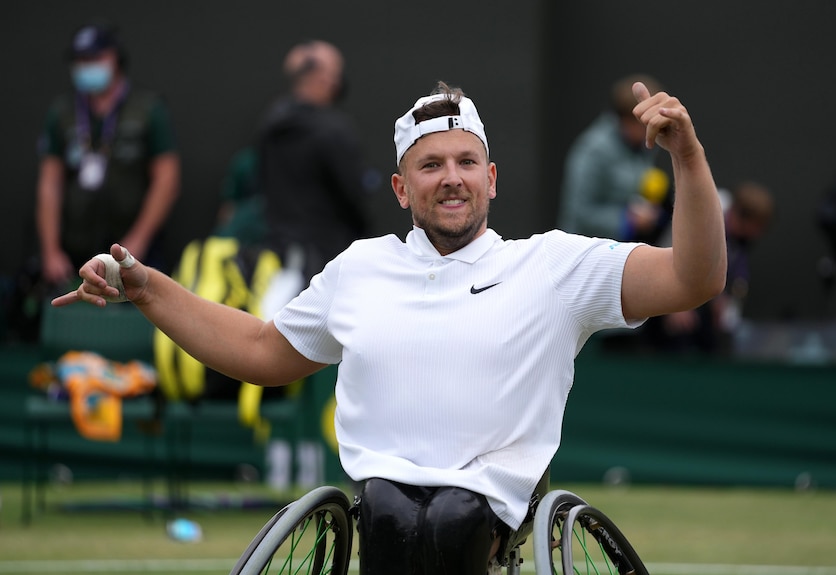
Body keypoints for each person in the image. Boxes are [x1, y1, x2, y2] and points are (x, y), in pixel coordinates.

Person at [55, 80, 726, 575]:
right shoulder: (360, 268)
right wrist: (146, 287)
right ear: (403, 189)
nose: (452, 179)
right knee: (392, 514)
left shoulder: (550, 265)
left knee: (452, 517)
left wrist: (688, 160)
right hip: (383, 513)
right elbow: (260, 350)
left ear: (491, 179)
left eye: (466, 163)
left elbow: (694, 278)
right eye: (431, 166)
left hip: (487, 513)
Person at [35, 21, 180, 291]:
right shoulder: (63, 112)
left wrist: (138, 240)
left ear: (115, 58)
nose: (87, 66)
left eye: (95, 58)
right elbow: (49, 184)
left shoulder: (148, 110)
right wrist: (51, 250)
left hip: (135, 248)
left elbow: (167, 181)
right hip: (75, 247)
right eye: (81, 60)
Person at [256, 40, 371, 303]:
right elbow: (355, 196)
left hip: (277, 254)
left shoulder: (269, 125)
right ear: (324, 78)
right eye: (335, 74)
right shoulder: (335, 131)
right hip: (324, 258)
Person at [648, 181, 774, 354]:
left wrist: (719, 299)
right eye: (757, 227)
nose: (757, 234)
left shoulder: (740, 240)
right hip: (663, 294)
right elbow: (667, 256)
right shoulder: (701, 213)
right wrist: (675, 307)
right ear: (740, 216)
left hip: (696, 300)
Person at [558, 73, 669, 244]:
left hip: (621, 250)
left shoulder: (642, 147)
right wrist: (628, 220)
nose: (651, 128)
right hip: (584, 255)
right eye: (644, 123)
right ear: (627, 120)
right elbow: (580, 212)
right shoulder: (593, 150)